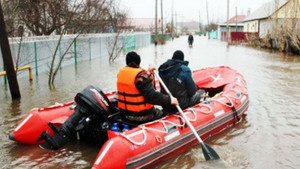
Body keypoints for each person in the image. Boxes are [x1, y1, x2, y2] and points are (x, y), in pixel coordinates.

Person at [117, 51, 178, 123]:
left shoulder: (121, 73)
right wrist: (170, 100)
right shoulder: (140, 76)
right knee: (166, 114)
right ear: (138, 62)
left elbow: (138, 82)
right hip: (141, 115)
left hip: (125, 114)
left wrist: (148, 73)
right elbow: (152, 96)